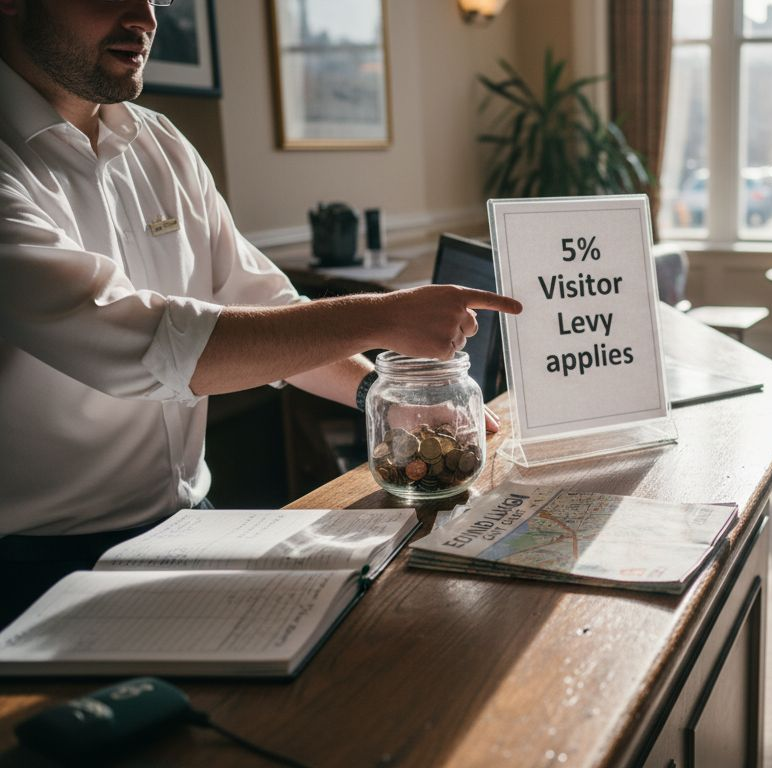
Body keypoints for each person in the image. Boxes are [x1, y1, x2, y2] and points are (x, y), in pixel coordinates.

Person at [0, 0, 522, 625]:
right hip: (37, 569)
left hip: (193, 527)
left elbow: (264, 309)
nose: (143, 17)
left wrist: (384, 397)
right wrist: (384, 317)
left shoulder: (160, 144)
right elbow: (138, 344)